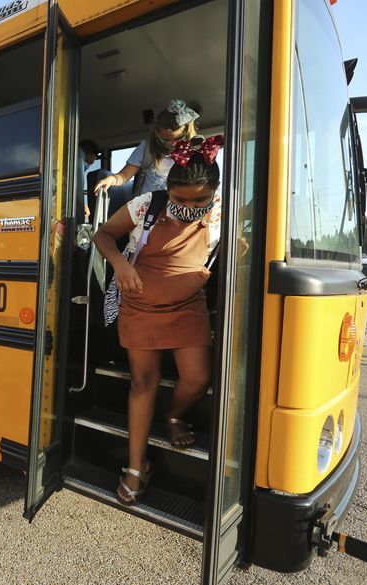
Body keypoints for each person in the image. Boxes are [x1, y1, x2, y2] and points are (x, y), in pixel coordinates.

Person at [92, 135, 223, 505]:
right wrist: (118, 264)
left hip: (189, 307)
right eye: (181, 200)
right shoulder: (147, 204)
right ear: (169, 189)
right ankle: (136, 466)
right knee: (142, 382)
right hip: (140, 307)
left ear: (214, 191)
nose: (190, 207)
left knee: (197, 378)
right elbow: (104, 236)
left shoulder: (222, 211)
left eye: (200, 200)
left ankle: (175, 415)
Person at [94, 99, 200, 213]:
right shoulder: (147, 149)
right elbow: (124, 176)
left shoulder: (195, 152)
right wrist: (112, 179)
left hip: (180, 212)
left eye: (177, 139)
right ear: (157, 133)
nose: (172, 143)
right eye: (165, 139)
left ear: (187, 132)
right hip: (147, 212)